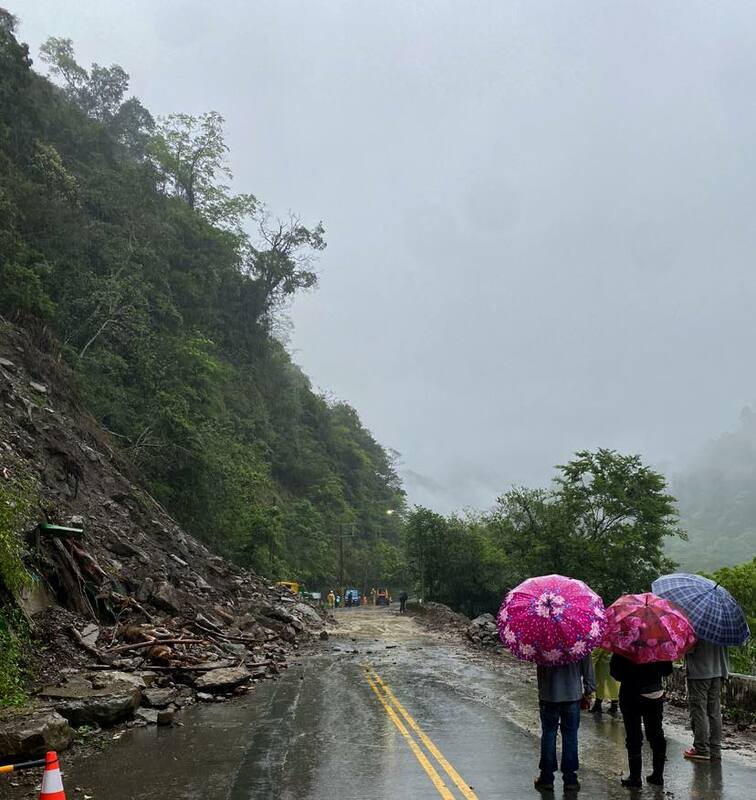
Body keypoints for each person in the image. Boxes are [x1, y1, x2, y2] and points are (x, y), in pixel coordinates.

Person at [534, 653, 595, 792]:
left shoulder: (542, 640)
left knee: (549, 734)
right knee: (570, 736)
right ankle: (570, 779)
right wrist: (589, 689)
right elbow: (587, 665)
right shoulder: (578, 638)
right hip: (572, 695)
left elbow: (540, 669)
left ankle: (546, 778)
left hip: (548, 695)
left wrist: (542, 689)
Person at [610, 653, 672, 788]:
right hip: (654, 694)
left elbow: (615, 672)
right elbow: (668, 670)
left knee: (633, 736)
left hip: (630, 694)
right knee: (656, 733)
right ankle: (658, 775)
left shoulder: (625, 644)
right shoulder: (659, 643)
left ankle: (635, 777)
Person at [684, 640, 729, 761]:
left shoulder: (697, 624)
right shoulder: (720, 624)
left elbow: (688, 648)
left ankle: (702, 749)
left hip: (700, 671)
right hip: (718, 671)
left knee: (699, 711)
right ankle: (715, 749)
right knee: (714, 711)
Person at [590, 648, 620, 716]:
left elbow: (595, 654)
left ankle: (598, 705)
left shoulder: (604, 639)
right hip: (616, 665)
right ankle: (614, 706)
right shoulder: (619, 639)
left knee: (601, 685)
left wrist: (587, 663)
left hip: (603, 666)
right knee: (614, 686)